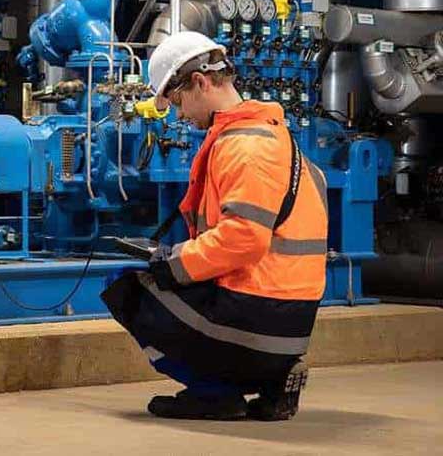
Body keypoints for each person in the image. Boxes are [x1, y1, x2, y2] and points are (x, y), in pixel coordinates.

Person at [102, 31, 329, 421]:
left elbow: (244, 238)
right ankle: (275, 382)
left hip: (258, 315)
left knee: (127, 288)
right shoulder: (278, 137)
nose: (179, 115)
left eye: (176, 102)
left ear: (200, 83)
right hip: (293, 322)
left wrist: (173, 262)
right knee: (181, 282)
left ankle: (215, 394)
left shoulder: (244, 147)